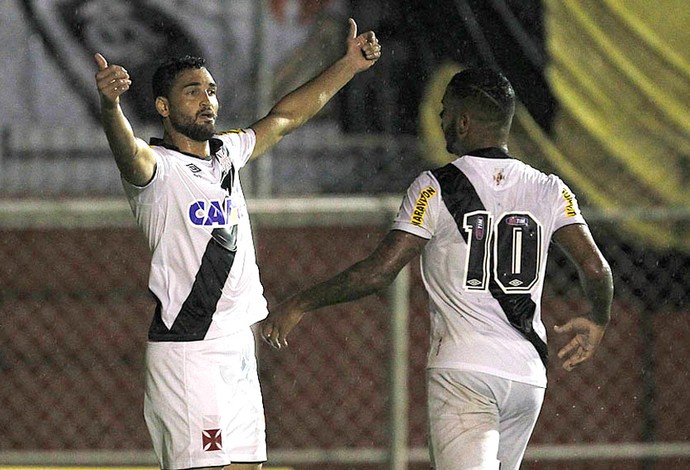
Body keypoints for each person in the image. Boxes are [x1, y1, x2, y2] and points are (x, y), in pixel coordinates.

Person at [261, 67, 613, 470]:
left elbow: (378, 273)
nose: (441, 120)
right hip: (527, 375)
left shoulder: (435, 186)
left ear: (463, 121)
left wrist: (301, 303)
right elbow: (596, 269)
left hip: (466, 372)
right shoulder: (550, 187)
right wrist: (598, 319)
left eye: (445, 111)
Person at [93, 18, 381, 470]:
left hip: (238, 348)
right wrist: (111, 107)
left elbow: (284, 119)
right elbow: (126, 151)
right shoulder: (157, 170)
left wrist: (348, 66)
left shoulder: (227, 154)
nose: (207, 99)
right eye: (193, 91)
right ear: (164, 107)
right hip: (189, 351)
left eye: (210, 90)